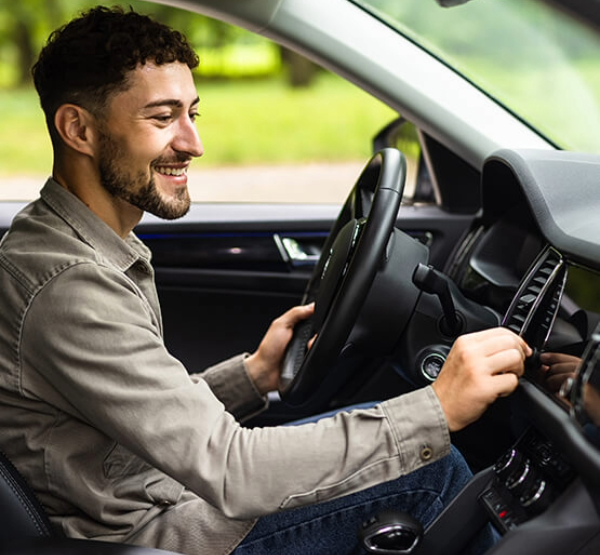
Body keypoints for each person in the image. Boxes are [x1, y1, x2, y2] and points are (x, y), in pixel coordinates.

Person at [0, 6, 531, 555]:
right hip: (150, 536)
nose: (193, 143)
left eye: (192, 113)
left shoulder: (82, 243)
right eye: (163, 119)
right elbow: (232, 469)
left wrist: (254, 376)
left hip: (171, 494)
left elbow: (143, 420)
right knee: (433, 470)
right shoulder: (70, 284)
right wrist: (436, 408)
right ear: (78, 129)